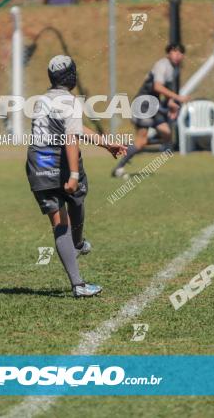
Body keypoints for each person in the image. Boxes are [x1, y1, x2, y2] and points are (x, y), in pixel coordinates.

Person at [27, 56, 127, 297]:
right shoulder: (69, 101)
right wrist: (73, 174)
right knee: (73, 205)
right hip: (58, 164)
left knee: (60, 223)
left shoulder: (43, 100)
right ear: (72, 76)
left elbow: (73, 129)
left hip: (37, 166)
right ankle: (79, 268)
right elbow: (70, 138)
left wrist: (105, 144)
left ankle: (78, 255)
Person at [112, 43, 188, 178]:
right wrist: (177, 98)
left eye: (180, 53)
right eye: (174, 52)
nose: (177, 55)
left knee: (166, 134)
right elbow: (158, 87)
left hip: (155, 105)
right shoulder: (162, 65)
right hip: (144, 104)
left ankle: (132, 146)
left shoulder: (175, 69)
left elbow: (167, 90)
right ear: (168, 53)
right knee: (141, 142)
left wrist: (171, 102)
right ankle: (119, 167)